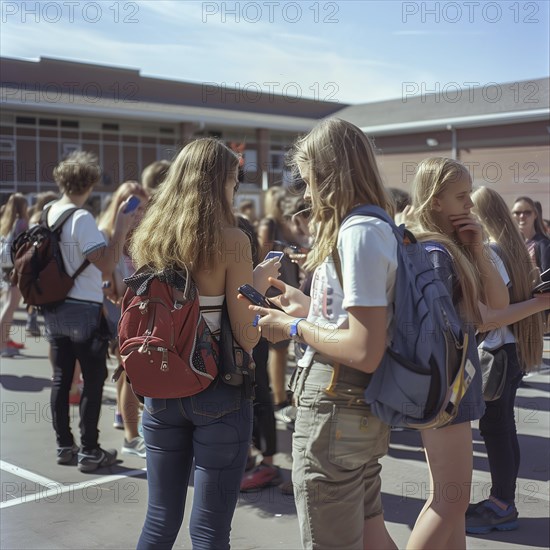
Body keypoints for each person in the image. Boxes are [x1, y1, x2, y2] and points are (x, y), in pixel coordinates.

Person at [248, 118, 398, 550]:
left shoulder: (357, 233)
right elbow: (361, 330)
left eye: (309, 179)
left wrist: (293, 326)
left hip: (335, 403)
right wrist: (310, 309)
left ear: (327, 172)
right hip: (355, 404)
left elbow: (363, 348)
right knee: (370, 531)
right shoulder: (374, 226)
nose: (306, 193)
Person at [130, 138, 279, 549]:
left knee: (159, 520)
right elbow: (247, 337)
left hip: (161, 383)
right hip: (218, 390)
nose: (236, 189)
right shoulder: (232, 239)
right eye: (235, 181)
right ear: (222, 183)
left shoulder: (151, 236)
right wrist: (258, 285)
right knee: (211, 532)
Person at [405, 158, 509, 549]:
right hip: (447, 385)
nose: (470, 204)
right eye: (461, 196)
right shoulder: (434, 252)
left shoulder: (447, 248)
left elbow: (496, 304)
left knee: (447, 501)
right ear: (435, 201)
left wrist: (478, 247)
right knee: (451, 502)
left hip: (449, 384)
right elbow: (478, 318)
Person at [44, 151, 135, 470]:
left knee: (61, 377)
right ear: (91, 182)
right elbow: (107, 266)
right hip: (83, 308)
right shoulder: (81, 218)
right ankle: (90, 450)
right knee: (94, 379)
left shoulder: (48, 212)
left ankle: (64, 446)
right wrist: (121, 229)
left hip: (53, 307)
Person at [465, 186, 548, 534]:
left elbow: (491, 315)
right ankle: (503, 500)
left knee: (496, 430)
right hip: (510, 349)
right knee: (503, 428)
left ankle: (502, 504)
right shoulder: (511, 247)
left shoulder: (492, 251)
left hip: (498, 350)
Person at [98, 181, 150, 459]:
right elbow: (108, 280)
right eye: (132, 207)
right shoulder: (107, 234)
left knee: (126, 371)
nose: (138, 213)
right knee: (131, 372)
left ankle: (123, 416)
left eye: (142, 207)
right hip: (116, 314)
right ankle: (131, 438)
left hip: (140, 312)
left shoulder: (142, 237)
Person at [257, 186, 301, 412]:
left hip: (287, 289)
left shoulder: (282, 225)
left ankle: (280, 394)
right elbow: (261, 257)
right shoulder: (269, 225)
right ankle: (279, 397)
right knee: (278, 348)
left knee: (283, 348)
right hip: (274, 293)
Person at [0, 193, 29, 357]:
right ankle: (2, 344)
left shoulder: (7, 222)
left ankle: (4, 340)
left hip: (5, 267)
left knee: (7, 305)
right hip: (15, 268)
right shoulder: (22, 222)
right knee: (10, 306)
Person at [512, 195, 550, 274]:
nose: (522, 216)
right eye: (517, 213)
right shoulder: (512, 245)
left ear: (535, 215)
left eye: (527, 212)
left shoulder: (544, 245)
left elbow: (547, 281)